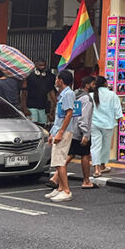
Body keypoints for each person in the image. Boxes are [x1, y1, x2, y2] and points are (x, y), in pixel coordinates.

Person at [45, 70, 78, 203]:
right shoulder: (63, 94)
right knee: (57, 160)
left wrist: (60, 132)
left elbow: (69, 113)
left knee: (60, 161)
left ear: (61, 81)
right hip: (59, 129)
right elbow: (59, 117)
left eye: (57, 79)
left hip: (64, 131)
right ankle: (59, 188)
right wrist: (53, 132)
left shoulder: (68, 94)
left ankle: (66, 190)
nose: (56, 81)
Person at [90, 76, 122, 177]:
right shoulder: (112, 95)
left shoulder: (91, 95)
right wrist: (122, 122)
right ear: (105, 84)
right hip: (107, 124)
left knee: (95, 145)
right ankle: (102, 165)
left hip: (94, 124)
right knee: (105, 146)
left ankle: (96, 169)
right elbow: (118, 110)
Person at [68, 76, 96, 189]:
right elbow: (84, 117)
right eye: (93, 84)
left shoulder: (74, 95)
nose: (94, 86)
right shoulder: (87, 99)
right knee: (84, 155)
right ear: (87, 85)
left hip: (71, 129)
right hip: (80, 131)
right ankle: (86, 180)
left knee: (71, 154)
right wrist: (85, 133)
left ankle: (55, 177)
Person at [24, 60, 56, 127]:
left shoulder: (48, 77)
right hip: (31, 105)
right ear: (35, 65)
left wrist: (55, 103)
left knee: (42, 125)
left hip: (43, 106)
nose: (42, 67)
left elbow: (51, 91)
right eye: (40, 65)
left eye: (44, 65)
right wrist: (24, 107)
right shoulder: (30, 76)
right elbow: (24, 92)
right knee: (33, 125)